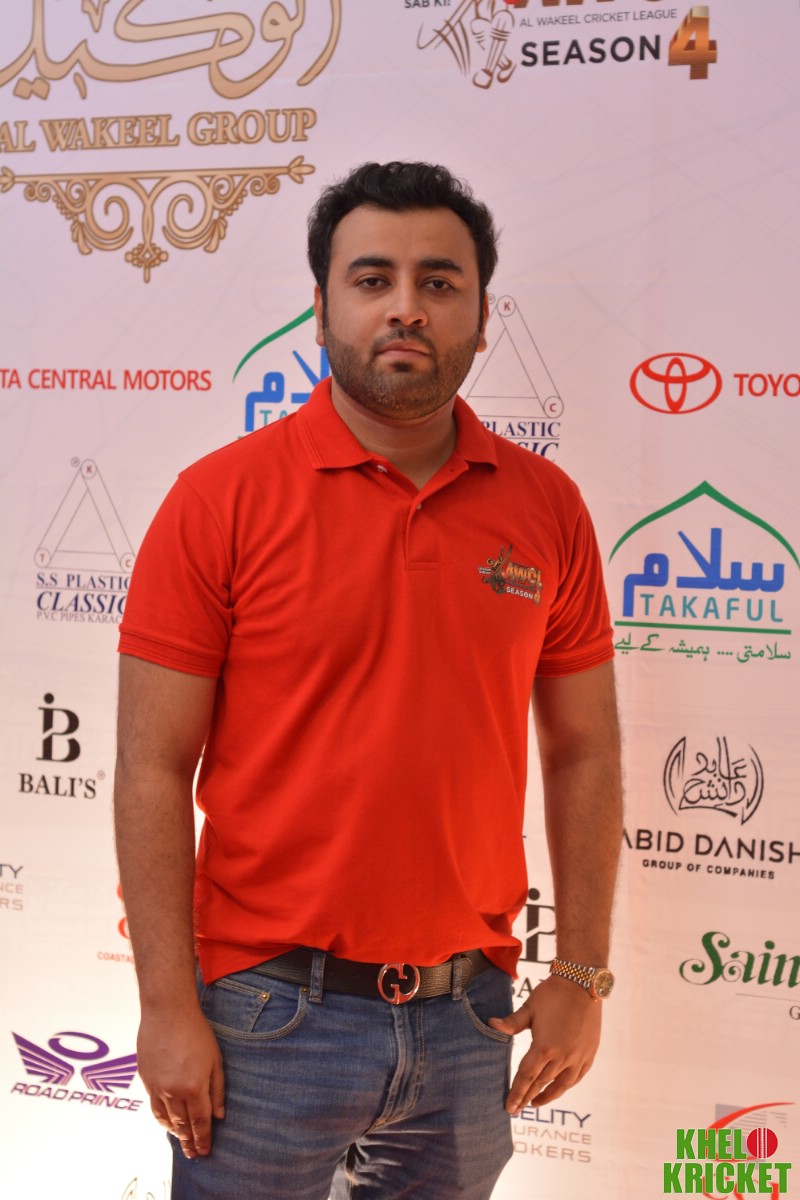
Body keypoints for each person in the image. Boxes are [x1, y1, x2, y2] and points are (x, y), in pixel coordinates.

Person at [114, 161, 622, 1200]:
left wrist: (579, 973)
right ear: (321, 307)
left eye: (439, 281)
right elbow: (151, 768)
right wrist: (166, 1004)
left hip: (471, 1017)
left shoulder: (547, 506)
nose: (406, 307)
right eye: (372, 278)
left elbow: (584, 749)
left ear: (482, 315)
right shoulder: (218, 501)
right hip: (264, 1016)